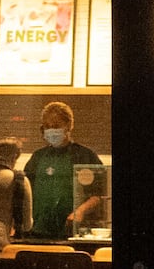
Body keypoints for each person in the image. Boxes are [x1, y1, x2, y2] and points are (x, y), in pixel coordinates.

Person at [18, 103, 103, 241]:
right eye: (47, 126)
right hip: (38, 231)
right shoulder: (38, 157)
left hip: (72, 232)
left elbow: (99, 194)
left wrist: (81, 211)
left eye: (56, 126)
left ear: (69, 126)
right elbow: (24, 192)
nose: (51, 130)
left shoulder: (84, 155)